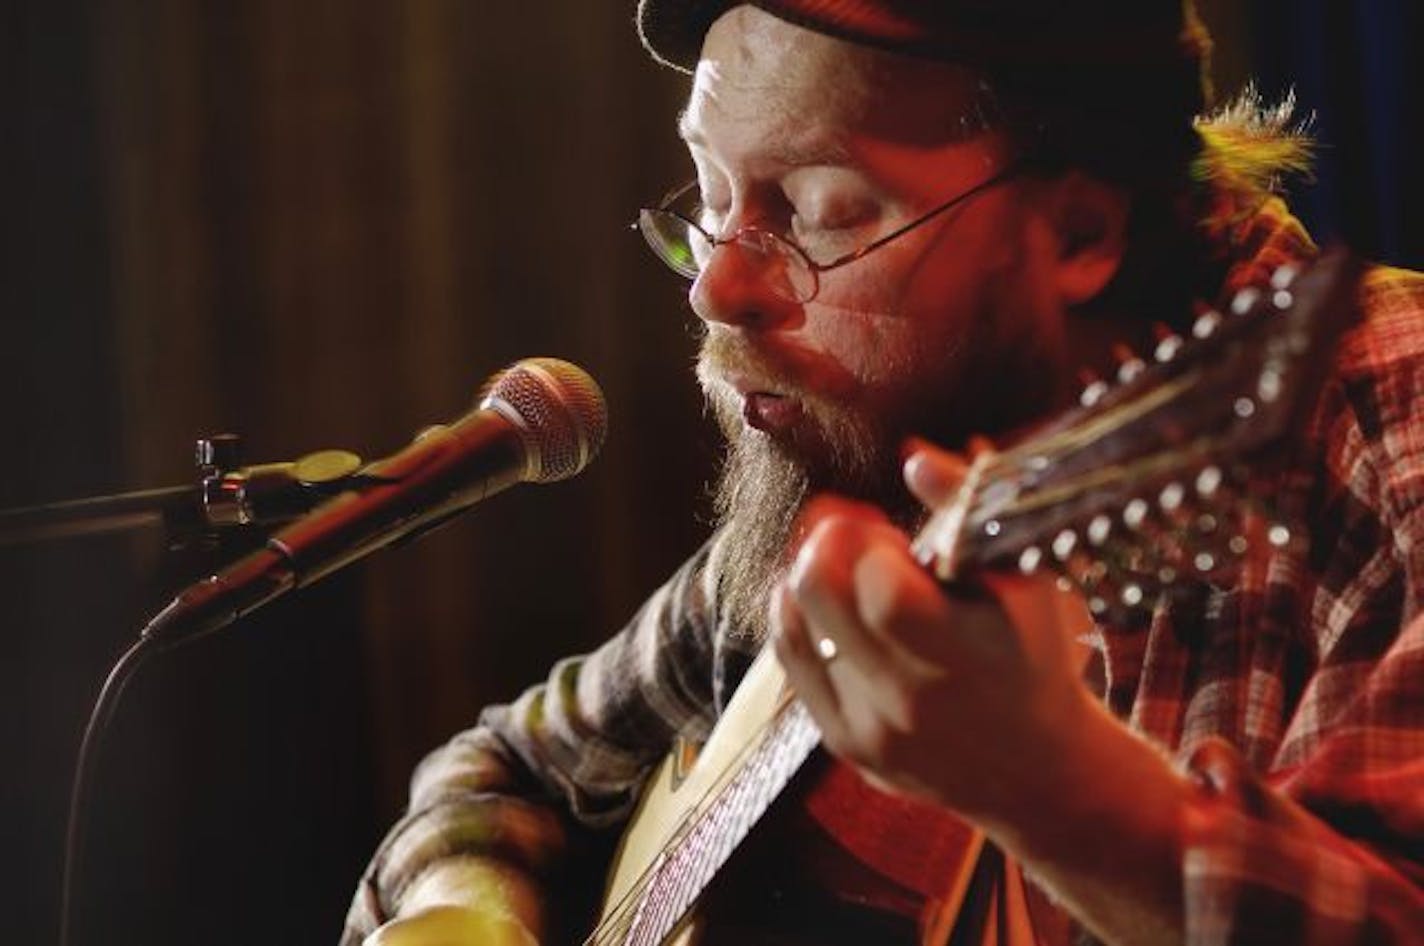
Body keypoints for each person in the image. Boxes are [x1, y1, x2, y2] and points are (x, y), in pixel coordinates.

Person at [342, 2, 1424, 943]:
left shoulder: (1385, 423)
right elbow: (511, 764)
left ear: (1081, 230)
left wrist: (1054, 788)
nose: (714, 289)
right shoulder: (900, 442)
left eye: (818, 208)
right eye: (714, 194)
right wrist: (465, 906)